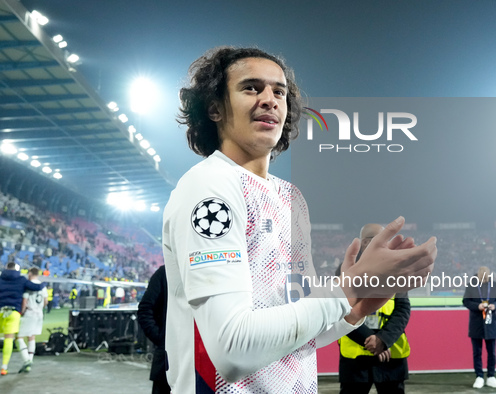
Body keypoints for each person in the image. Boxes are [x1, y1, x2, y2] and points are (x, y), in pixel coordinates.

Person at [164, 46, 437, 393]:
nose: (269, 99)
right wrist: (347, 288)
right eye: (251, 87)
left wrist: (356, 310)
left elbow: (297, 336)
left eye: (279, 91)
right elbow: (232, 351)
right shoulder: (209, 187)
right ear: (215, 109)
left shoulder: (291, 199)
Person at [337, 224, 411, 394]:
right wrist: (370, 339)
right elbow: (340, 311)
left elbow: (403, 309)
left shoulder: (398, 270)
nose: (387, 244)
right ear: (365, 243)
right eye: (382, 239)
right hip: (356, 361)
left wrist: (383, 340)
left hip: (390, 356)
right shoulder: (345, 269)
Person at [0, 262, 46, 375]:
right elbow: (36, 287)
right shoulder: (21, 280)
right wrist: (45, 282)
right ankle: (4, 367)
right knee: (9, 339)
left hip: (1, 310)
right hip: (14, 312)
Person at [462, 266, 496, 389]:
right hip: (476, 324)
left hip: (491, 323)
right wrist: (478, 306)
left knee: (492, 352)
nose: (484, 276)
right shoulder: (471, 285)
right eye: (482, 274)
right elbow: (466, 301)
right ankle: (479, 376)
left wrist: (494, 306)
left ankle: (491, 376)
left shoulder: (495, 285)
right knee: (477, 352)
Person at [138, 265, 170, 394]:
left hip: (201, 363)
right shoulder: (165, 273)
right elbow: (145, 310)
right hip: (166, 363)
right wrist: (162, 339)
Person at [16, 267, 48, 373]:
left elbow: (24, 301)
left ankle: (26, 360)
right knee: (31, 336)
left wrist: (22, 312)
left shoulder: (28, 285)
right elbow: (46, 301)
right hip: (39, 313)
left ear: (30, 273)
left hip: (30, 312)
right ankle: (30, 361)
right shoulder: (42, 286)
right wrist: (40, 308)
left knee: (19, 337)